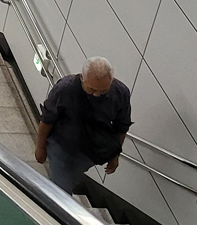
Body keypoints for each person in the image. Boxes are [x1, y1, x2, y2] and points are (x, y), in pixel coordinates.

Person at [35, 57, 132, 193]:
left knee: (70, 179)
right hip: (61, 146)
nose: (97, 94)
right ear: (82, 78)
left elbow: (121, 126)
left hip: (90, 151)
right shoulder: (65, 89)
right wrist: (40, 148)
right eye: (91, 89)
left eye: (103, 91)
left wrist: (115, 155)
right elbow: (47, 119)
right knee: (61, 188)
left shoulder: (121, 93)